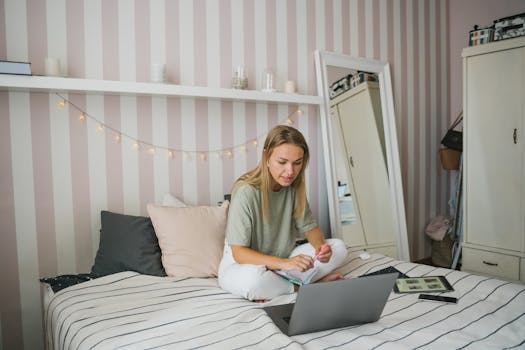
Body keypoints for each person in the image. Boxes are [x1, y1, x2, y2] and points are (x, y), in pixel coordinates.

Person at [218, 125, 347, 301]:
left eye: (297, 163)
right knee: (253, 281)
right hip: (242, 265)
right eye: (282, 162)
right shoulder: (245, 191)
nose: (290, 171)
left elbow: (310, 228)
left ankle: (278, 287)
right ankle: (303, 287)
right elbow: (239, 253)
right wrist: (285, 264)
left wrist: (321, 249)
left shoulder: (293, 188)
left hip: (281, 263)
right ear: (266, 157)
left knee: (339, 247)